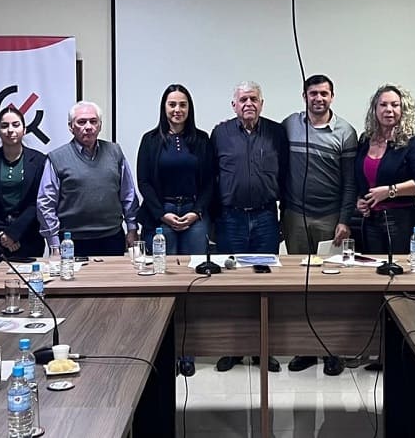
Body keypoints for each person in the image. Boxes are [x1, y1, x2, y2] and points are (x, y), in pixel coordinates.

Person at [281, 74, 356, 377]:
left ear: (332, 96)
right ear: (304, 96)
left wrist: (344, 219)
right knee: (301, 285)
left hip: (330, 219)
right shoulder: (290, 125)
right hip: (295, 216)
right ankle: (305, 349)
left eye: (324, 94)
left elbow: (350, 182)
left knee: (330, 286)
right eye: (313, 93)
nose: (318, 99)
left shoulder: (346, 132)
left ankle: (332, 351)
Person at [137, 84, 214, 377]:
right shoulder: (151, 140)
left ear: (189, 108)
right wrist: (163, 214)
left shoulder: (202, 140)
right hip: (162, 216)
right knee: (163, 283)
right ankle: (164, 348)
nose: (177, 110)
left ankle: (189, 349)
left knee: (194, 283)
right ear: (164, 108)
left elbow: (210, 183)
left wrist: (196, 212)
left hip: (195, 214)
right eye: (172, 104)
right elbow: (144, 181)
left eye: (182, 104)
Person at [211, 81, 288, 373]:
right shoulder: (220, 134)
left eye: (253, 99)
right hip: (231, 219)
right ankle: (232, 350)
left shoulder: (276, 132)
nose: (248, 104)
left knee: (264, 284)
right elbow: (212, 177)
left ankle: (262, 350)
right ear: (234, 105)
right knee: (231, 285)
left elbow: (286, 175)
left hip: (266, 217)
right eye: (243, 99)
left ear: (262, 103)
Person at [37, 101, 139, 257]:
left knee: (113, 281)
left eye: (93, 121)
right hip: (72, 241)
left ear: (100, 125)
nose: (88, 126)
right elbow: (45, 203)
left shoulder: (115, 152)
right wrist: (54, 244)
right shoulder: (57, 158)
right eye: (81, 122)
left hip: (112, 237)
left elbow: (128, 194)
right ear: (71, 127)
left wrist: (132, 228)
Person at [354, 84, 415, 254]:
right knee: (371, 272)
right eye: (383, 105)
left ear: (403, 109)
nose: (389, 110)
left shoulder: (412, 141)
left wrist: (390, 191)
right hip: (370, 221)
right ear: (374, 109)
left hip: (402, 221)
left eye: (395, 105)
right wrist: (360, 200)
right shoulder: (365, 139)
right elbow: (361, 179)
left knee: (399, 273)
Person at [0, 107, 46, 272]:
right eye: (4, 126)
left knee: (31, 289)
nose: (10, 130)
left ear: (24, 130)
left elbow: (39, 200)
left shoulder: (39, 160)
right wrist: (2, 234)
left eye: (15, 125)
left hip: (28, 237)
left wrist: (14, 233)